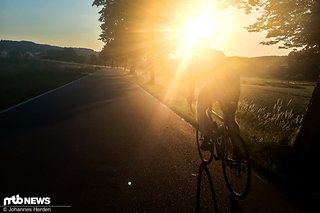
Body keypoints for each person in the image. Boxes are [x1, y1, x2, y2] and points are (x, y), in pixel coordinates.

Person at [190, 48, 241, 150]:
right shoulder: (233, 71)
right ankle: (238, 149)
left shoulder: (214, 71)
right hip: (233, 96)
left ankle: (207, 136)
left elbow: (207, 88)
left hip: (215, 93)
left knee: (200, 108)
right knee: (230, 120)